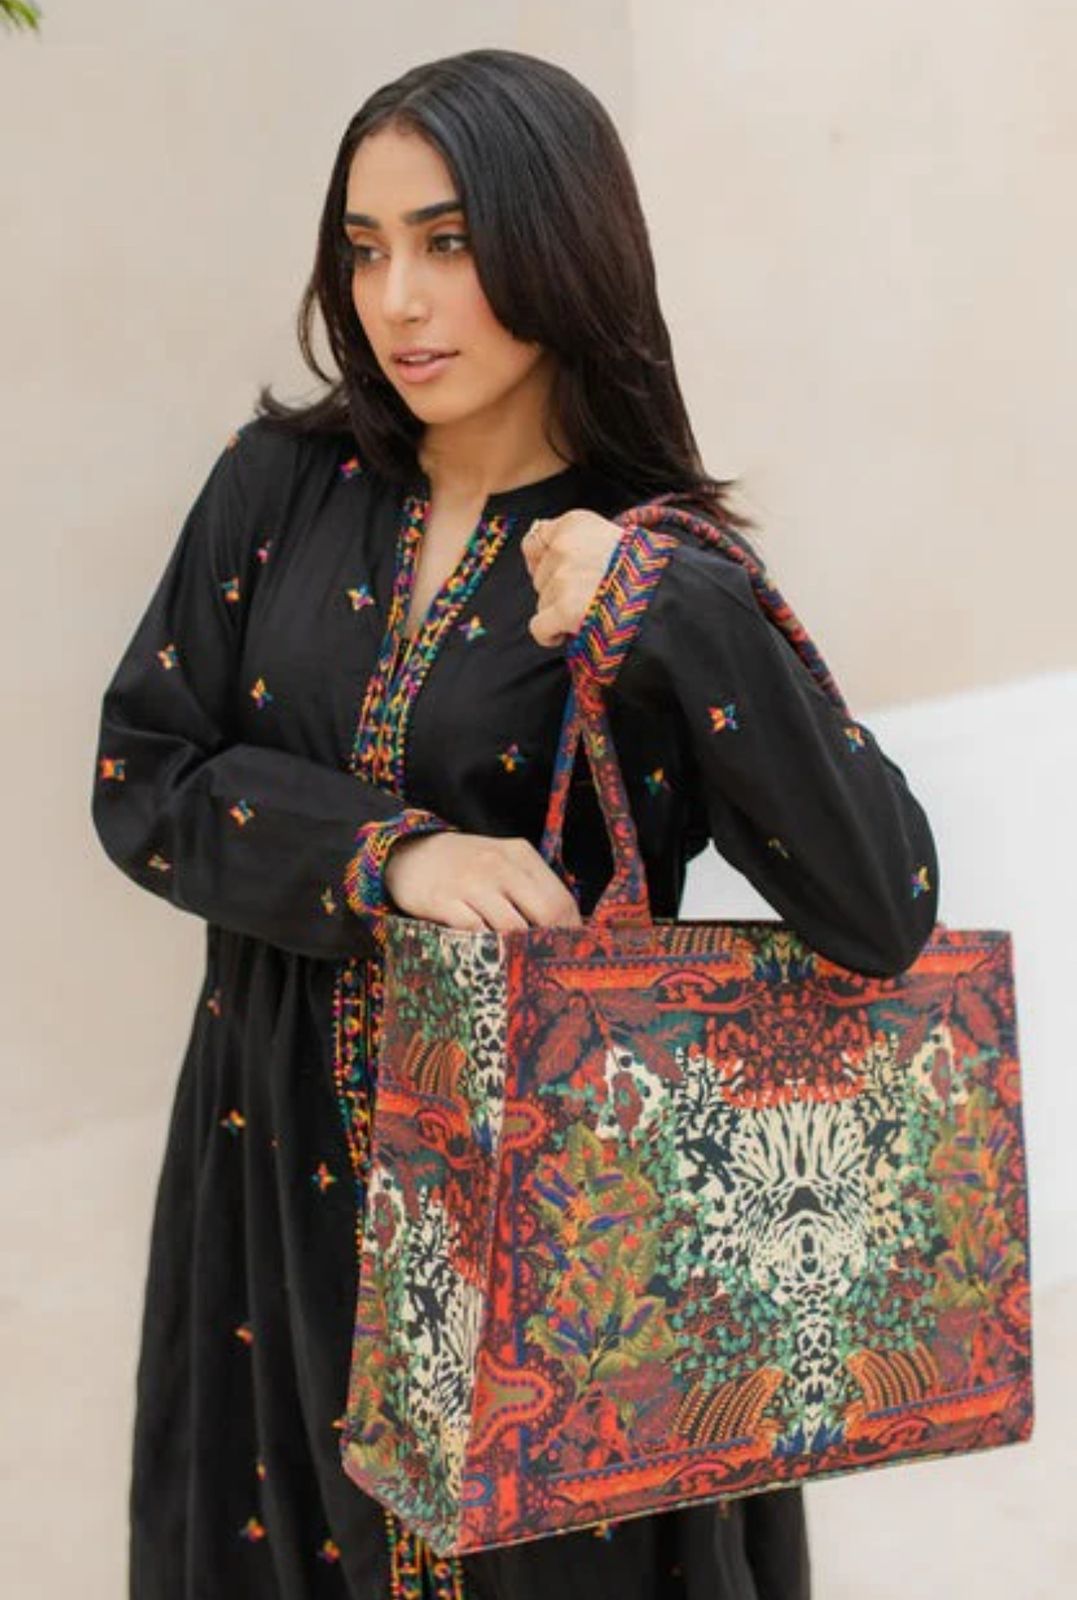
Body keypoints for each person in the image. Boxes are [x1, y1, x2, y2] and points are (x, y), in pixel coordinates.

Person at [91, 46, 939, 1600]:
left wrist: (670, 612)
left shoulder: (660, 565)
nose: (396, 300)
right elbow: (144, 774)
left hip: (561, 1218)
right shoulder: (278, 489)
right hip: (281, 1169)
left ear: (559, 245)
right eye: (364, 250)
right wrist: (392, 854)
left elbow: (879, 906)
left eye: (449, 243)